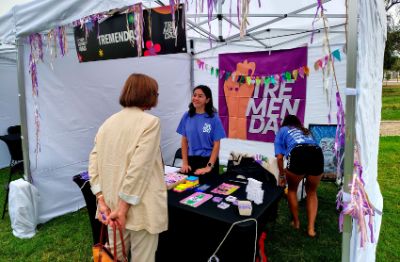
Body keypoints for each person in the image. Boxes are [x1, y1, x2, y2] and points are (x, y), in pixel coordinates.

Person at [89, 73, 168, 262]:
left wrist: (101, 199)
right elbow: (139, 167)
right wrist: (123, 209)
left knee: (115, 256)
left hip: (111, 206)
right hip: (140, 206)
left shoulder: (107, 124)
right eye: (155, 93)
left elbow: (93, 162)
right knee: (142, 258)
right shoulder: (150, 123)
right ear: (148, 94)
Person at [274, 114, 324, 237]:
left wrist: (282, 174)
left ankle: (296, 223)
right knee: (312, 192)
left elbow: (279, 158)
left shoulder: (282, 130)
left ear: (285, 123)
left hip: (298, 153)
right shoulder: (306, 131)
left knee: (292, 190)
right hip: (317, 153)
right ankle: (311, 229)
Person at [176, 85, 226, 176]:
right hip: (191, 160)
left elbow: (216, 145)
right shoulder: (187, 116)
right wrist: (185, 163)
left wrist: (209, 167)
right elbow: (184, 141)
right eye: (194, 95)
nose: (196, 98)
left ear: (207, 100)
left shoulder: (214, 118)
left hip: (208, 160)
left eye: (200, 96)